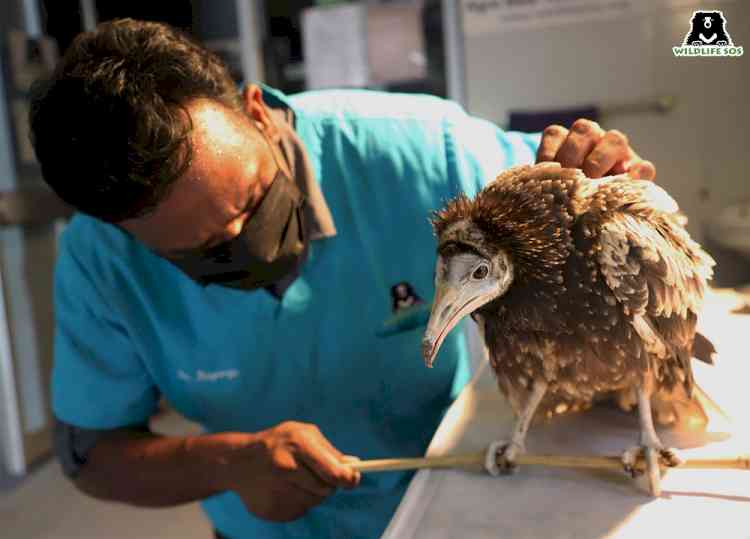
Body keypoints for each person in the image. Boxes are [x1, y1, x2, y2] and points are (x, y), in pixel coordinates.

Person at [29, 18, 656, 539]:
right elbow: (91, 455)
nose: (246, 241)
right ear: (123, 233)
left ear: (255, 110)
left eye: (251, 200)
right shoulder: (100, 262)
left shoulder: (421, 153)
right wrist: (227, 463)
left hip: (446, 507)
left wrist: (601, 185)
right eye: (199, 250)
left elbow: (602, 213)